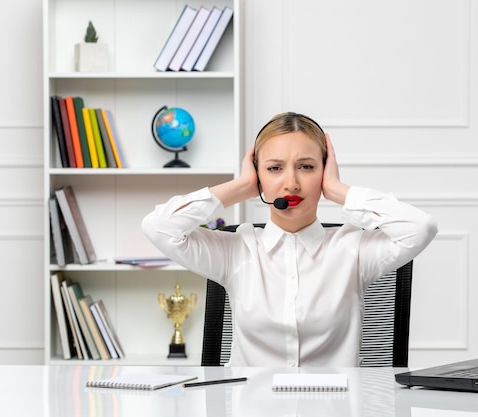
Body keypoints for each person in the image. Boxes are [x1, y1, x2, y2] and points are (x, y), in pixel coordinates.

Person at [142, 112, 437, 367]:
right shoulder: (236, 250)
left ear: (324, 170)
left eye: (307, 166)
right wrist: (241, 186)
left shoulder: (353, 249)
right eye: (274, 168)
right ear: (258, 174)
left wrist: (337, 190)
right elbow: (158, 227)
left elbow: (420, 227)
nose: (291, 183)